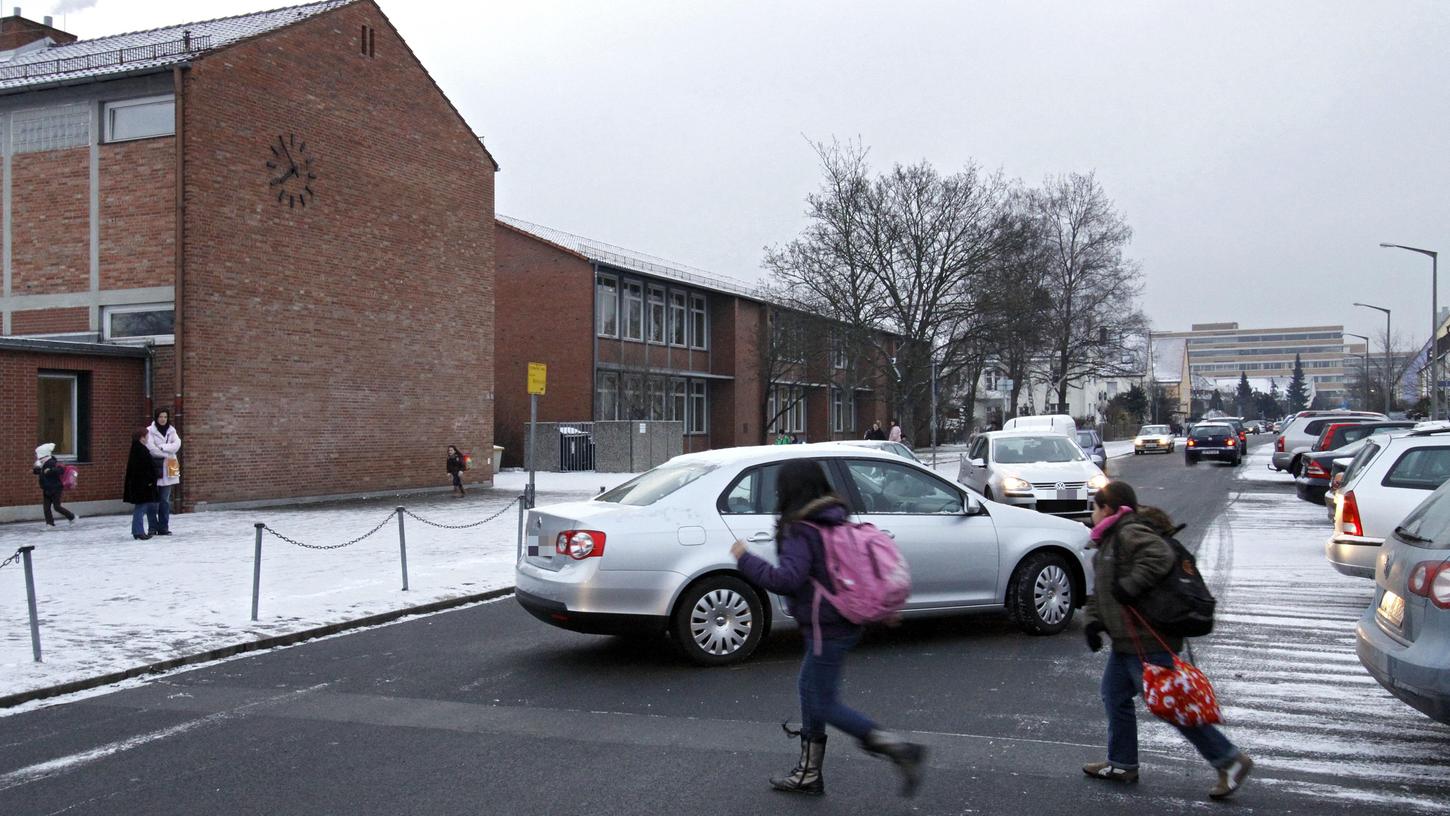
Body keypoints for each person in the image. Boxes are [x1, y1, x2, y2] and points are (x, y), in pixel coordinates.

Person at [730, 459, 924, 798]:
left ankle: (896, 748)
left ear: (789, 490)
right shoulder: (833, 519)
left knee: (822, 703)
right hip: (842, 622)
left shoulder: (801, 529)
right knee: (809, 690)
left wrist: (745, 558)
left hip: (827, 626)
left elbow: (786, 579)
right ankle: (808, 773)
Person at [1081, 480, 1252, 800]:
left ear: (1110, 509)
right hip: (1126, 641)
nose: (1092, 513)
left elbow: (1159, 556)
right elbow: (1102, 593)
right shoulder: (1108, 540)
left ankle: (1229, 760)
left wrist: (1131, 585)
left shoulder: (1128, 533)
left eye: (1095, 506)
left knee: (1169, 706)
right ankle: (1122, 763)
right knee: (1114, 695)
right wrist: (1092, 622)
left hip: (1147, 639)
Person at [145, 408, 181, 536]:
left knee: (165, 500)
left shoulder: (172, 430)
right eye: (161, 417)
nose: (163, 419)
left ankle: (164, 527)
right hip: (156, 467)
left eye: (165, 417)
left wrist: (163, 447)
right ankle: (152, 528)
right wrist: (167, 452)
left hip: (170, 466)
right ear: (156, 417)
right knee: (153, 501)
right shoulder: (150, 431)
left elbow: (177, 444)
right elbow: (151, 449)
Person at [123, 429, 159, 540]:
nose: (148, 438)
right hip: (142, 485)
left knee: (140, 508)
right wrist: (149, 481)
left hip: (140, 484)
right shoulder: (141, 450)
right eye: (147, 436)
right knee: (141, 508)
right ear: (142, 437)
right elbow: (144, 469)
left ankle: (137, 531)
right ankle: (138, 531)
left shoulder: (137, 449)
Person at [32, 442, 76, 529]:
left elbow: (60, 470)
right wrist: (35, 471)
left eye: (37, 454)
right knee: (46, 508)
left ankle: (72, 517)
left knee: (57, 507)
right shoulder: (43, 463)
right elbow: (42, 472)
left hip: (55, 488)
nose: (36, 456)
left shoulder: (51, 462)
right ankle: (50, 524)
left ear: (42, 454)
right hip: (47, 488)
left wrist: (50, 470)